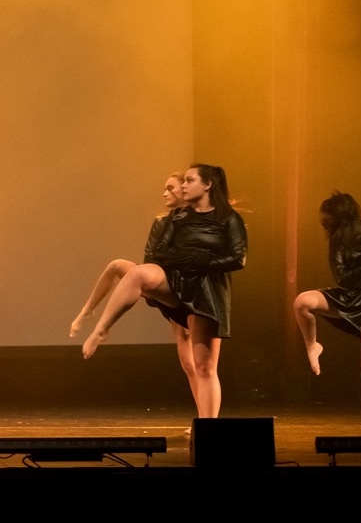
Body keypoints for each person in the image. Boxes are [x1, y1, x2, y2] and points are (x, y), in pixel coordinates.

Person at [81, 164, 246, 419]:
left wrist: (203, 262)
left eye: (189, 180)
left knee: (203, 367)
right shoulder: (177, 218)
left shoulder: (228, 218)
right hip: (176, 281)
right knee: (136, 273)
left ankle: (208, 427)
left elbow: (237, 258)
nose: (183, 186)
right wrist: (187, 259)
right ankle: (101, 330)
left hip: (207, 291)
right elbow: (159, 253)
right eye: (183, 181)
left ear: (207, 184)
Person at [70, 174, 199, 405]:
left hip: (186, 293)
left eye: (170, 188)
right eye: (164, 188)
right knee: (117, 266)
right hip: (162, 283)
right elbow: (150, 258)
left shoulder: (196, 222)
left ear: (184, 189)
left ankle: (205, 417)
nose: (165, 193)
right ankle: (87, 311)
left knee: (190, 364)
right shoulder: (161, 222)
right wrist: (149, 286)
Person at [293, 192, 361, 437]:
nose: (323, 222)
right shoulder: (337, 239)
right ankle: (312, 345)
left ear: (340, 214)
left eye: (327, 217)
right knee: (302, 302)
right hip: (349, 295)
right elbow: (342, 278)